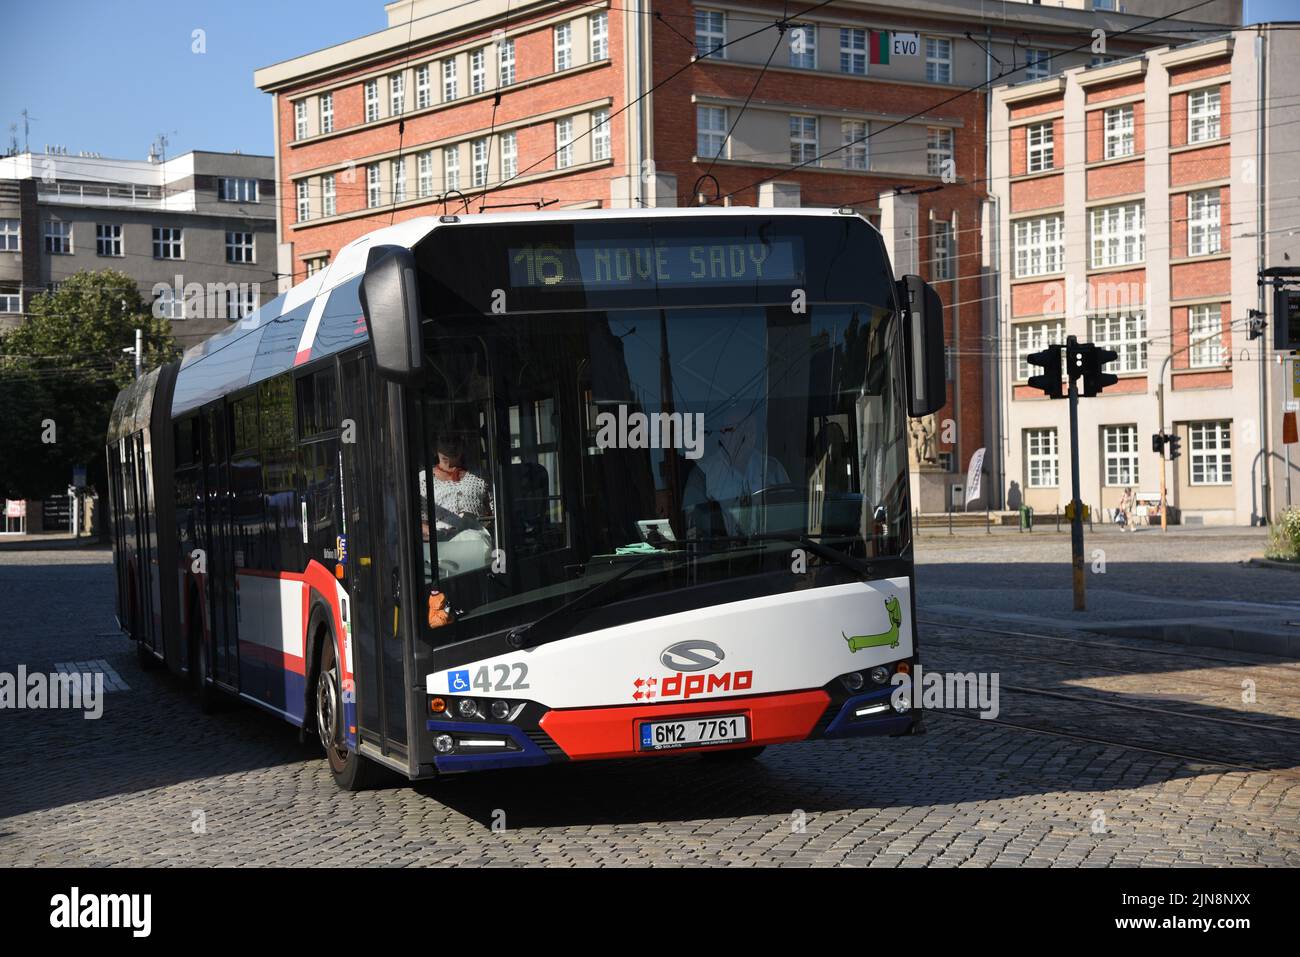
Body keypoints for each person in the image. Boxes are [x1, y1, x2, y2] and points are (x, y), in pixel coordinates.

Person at [683, 401, 789, 538]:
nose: (746, 435)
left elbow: (789, 517)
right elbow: (692, 529)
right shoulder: (703, 474)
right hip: (722, 555)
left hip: (769, 551)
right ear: (722, 434)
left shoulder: (772, 469)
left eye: (750, 429)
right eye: (738, 429)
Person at [422, 435, 493, 574]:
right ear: (434, 448)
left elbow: (494, 514)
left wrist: (481, 525)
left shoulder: (480, 476)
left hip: (479, 546)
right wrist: (437, 534)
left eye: (454, 441)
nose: (450, 447)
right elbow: (420, 523)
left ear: (462, 446)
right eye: (445, 441)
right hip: (441, 550)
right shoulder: (424, 479)